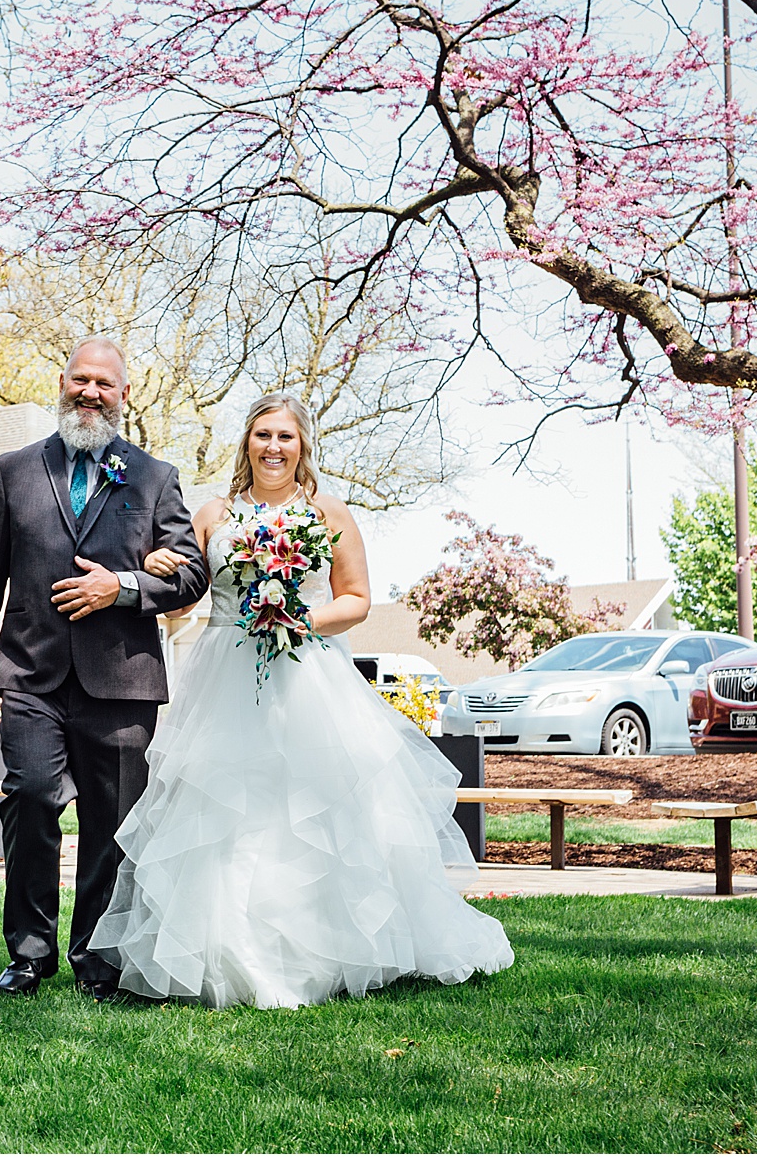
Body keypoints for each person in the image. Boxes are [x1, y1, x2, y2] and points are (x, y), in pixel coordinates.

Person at [88, 393, 514, 1009]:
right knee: (224, 813)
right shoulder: (212, 514)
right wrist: (157, 564)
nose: (273, 447)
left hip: (305, 674)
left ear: (303, 446)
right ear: (247, 443)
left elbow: (357, 598)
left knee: (308, 810)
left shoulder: (328, 512)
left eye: (285, 437)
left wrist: (299, 615)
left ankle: (323, 952)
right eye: (262, 435)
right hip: (224, 674)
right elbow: (183, 601)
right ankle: (222, 954)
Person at [0, 337, 209, 1000]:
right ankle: (30, 954)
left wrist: (120, 587)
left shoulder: (155, 478)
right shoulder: (12, 471)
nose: (90, 392)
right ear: (61, 382)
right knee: (32, 797)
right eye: (80, 379)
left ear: (125, 396)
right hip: (31, 677)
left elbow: (190, 574)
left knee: (111, 822)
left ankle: (97, 958)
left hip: (122, 683)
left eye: (105, 383)